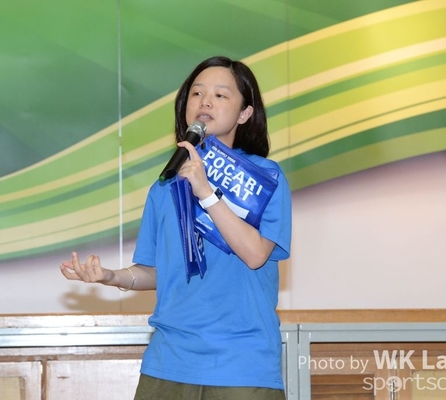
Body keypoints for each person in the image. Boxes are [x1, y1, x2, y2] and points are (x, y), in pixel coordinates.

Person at [60, 55, 292, 400]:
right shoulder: (166, 186)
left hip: (242, 362)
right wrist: (110, 277)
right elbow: (157, 270)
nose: (205, 102)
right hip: (168, 361)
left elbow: (256, 254)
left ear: (245, 113)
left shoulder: (265, 178)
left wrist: (207, 193)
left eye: (220, 95)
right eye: (196, 94)